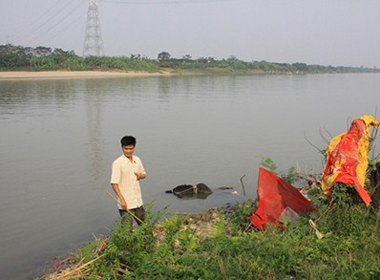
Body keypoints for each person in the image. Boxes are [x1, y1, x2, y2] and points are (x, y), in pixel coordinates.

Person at [110, 135, 146, 227]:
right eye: (126, 149)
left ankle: (149, 241)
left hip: (137, 201)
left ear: (134, 147)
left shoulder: (137, 160)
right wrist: (122, 200)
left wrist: (140, 175)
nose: (128, 151)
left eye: (131, 149)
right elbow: (114, 183)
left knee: (144, 226)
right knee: (127, 230)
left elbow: (144, 174)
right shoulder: (118, 163)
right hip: (125, 203)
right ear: (122, 148)